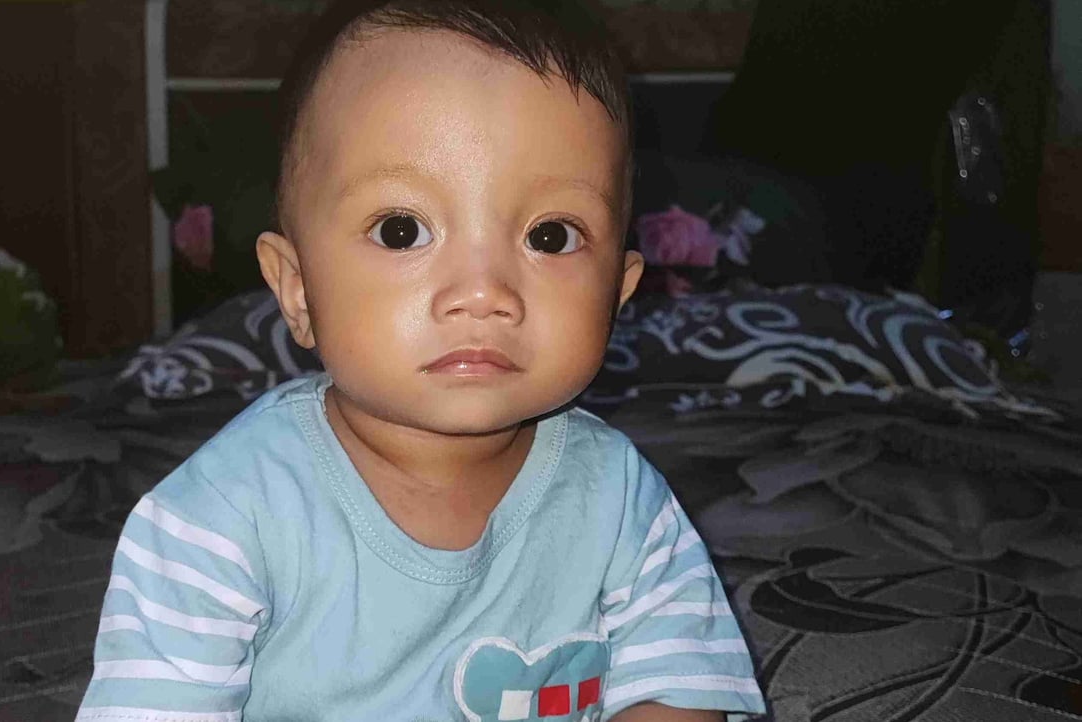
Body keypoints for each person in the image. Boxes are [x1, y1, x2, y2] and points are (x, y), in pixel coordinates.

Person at [75, 1, 765, 720]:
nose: (483, 292)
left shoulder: (619, 496)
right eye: (402, 230)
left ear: (618, 293)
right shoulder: (223, 514)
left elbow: (679, 689)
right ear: (298, 288)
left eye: (551, 237)